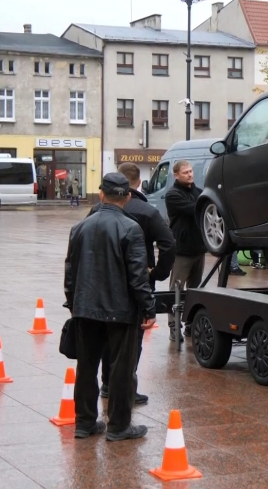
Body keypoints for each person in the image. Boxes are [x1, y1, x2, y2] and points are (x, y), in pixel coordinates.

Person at [64, 173, 157, 441]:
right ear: (127, 197)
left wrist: (73, 303)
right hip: (120, 310)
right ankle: (118, 426)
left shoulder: (79, 228)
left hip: (85, 307)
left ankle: (84, 423)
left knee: (87, 366)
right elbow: (138, 275)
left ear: (101, 194)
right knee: (120, 369)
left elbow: (70, 272)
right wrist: (148, 308)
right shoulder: (131, 228)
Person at [87, 162, 176, 405]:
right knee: (131, 339)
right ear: (136, 185)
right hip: (138, 282)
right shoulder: (148, 212)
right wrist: (157, 273)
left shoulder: (97, 211)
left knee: (107, 334)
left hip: (102, 282)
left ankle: (107, 383)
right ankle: (125, 385)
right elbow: (168, 244)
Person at [165, 160, 207, 341]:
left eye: (191, 171)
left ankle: (191, 324)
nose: (190, 175)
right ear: (176, 175)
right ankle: (174, 327)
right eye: (185, 172)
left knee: (196, 290)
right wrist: (206, 203)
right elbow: (194, 209)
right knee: (176, 290)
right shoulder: (172, 195)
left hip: (199, 249)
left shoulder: (199, 192)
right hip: (182, 251)